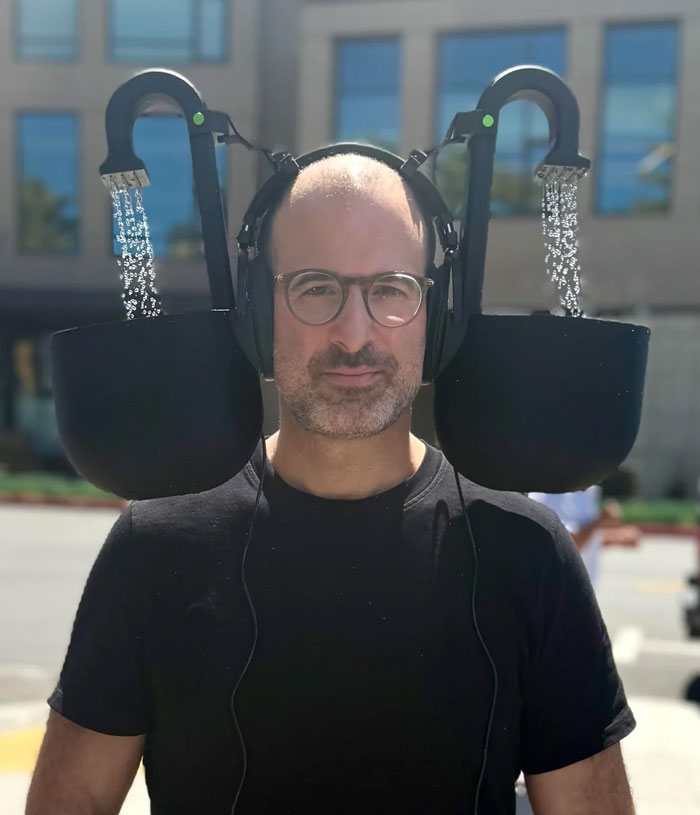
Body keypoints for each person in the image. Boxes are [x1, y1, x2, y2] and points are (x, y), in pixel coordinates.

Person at [26, 154, 637, 815]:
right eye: (316, 287)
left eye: (391, 288)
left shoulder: (530, 552)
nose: (354, 333)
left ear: (436, 315)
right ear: (257, 312)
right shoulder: (155, 544)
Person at [528, 486, 641, 591]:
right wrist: (601, 520)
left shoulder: (585, 490)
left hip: (581, 589)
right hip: (563, 590)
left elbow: (586, 540)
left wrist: (616, 538)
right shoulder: (556, 495)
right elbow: (567, 546)